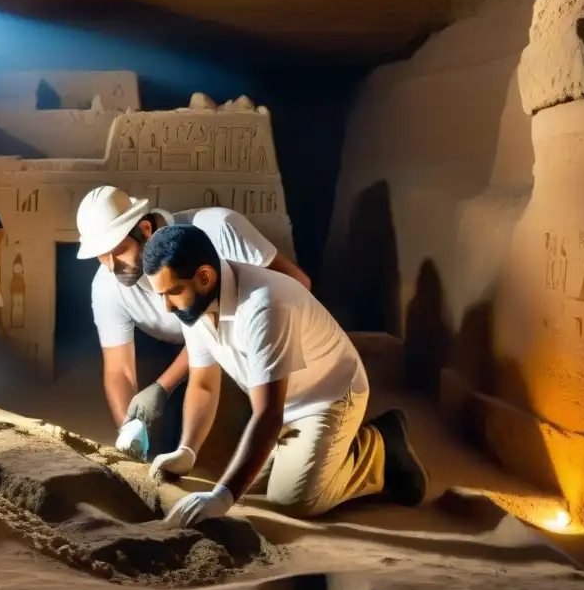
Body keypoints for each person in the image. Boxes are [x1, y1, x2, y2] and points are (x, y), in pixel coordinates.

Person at [141, 224, 428, 528]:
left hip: (328, 395)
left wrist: (222, 497)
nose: (167, 306)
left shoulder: (262, 305)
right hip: (285, 401)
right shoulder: (195, 302)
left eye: (172, 293)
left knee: (294, 499)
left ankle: (381, 445)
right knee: (253, 486)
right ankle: (303, 452)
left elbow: (267, 414)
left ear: (204, 277)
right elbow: (204, 384)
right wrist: (187, 450)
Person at [76, 185, 311, 459]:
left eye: (118, 251)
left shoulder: (219, 230)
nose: (110, 265)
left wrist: (163, 385)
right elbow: (120, 371)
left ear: (146, 230)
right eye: (101, 256)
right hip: (206, 352)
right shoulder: (107, 285)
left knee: (249, 449)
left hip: (259, 342)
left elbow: (299, 284)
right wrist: (129, 431)